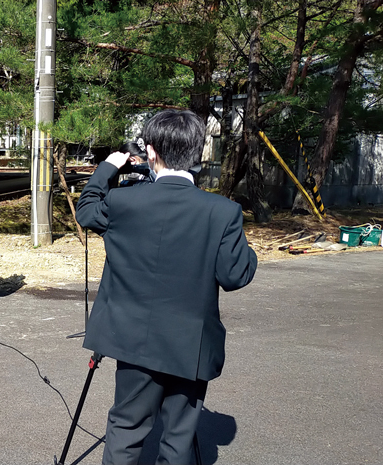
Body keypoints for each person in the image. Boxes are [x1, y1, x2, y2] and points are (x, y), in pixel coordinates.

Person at [76, 109, 257, 464]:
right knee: (178, 438)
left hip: (132, 339)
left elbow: (86, 209)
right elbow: (236, 275)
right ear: (197, 152)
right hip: (189, 343)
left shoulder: (123, 201)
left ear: (151, 151)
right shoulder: (222, 212)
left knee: (125, 429)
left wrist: (109, 166)